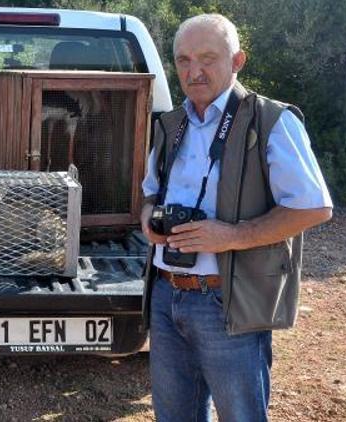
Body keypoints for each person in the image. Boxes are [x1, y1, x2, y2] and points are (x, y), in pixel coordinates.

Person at [140, 13, 333, 422]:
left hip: (227, 301)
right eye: (184, 60)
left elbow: (314, 206)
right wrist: (147, 219)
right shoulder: (169, 124)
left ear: (238, 60)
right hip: (165, 293)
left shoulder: (271, 121)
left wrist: (231, 236)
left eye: (208, 58)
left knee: (241, 415)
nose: (194, 72)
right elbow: (149, 193)